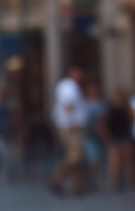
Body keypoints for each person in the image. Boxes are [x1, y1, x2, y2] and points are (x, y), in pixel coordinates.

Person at [48, 65, 87, 196]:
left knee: (76, 155)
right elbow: (69, 106)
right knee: (75, 156)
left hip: (70, 125)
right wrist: (72, 124)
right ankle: (56, 180)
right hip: (71, 127)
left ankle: (78, 185)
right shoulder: (69, 87)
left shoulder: (69, 86)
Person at [103, 88, 132, 192]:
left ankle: (127, 180)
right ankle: (114, 182)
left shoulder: (127, 108)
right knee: (114, 162)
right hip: (114, 138)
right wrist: (106, 135)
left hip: (125, 137)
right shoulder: (110, 109)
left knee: (126, 161)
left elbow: (131, 121)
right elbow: (104, 122)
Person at [82, 80, 106, 187]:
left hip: (98, 135)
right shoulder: (83, 103)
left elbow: (103, 119)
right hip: (88, 134)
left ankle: (94, 179)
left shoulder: (101, 104)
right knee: (90, 158)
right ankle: (90, 179)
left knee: (97, 157)